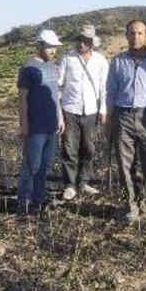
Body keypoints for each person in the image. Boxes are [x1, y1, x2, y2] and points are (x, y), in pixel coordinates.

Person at [105, 20, 146, 222]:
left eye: (140, 33)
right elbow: (110, 93)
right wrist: (108, 122)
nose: (136, 37)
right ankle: (131, 205)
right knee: (125, 165)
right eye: (132, 33)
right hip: (122, 116)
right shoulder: (117, 62)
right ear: (126, 36)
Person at [57, 25, 109, 201]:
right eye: (78, 39)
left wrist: (103, 109)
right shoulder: (67, 58)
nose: (81, 43)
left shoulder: (101, 60)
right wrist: (59, 109)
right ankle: (70, 185)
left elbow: (104, 87)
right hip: (70, 109)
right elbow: (59, 83)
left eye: (85, 40)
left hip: (91, 111)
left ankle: (83, 182)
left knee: (89, 148)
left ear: (91, 42)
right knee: (69, 148)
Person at [16, 29, 65, 212]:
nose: (53, 50)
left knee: (44, 166)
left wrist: (60, 118)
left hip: (51, 126)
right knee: (31, 166)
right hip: (35, 126)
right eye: (50, 46)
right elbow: (22, 99)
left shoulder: (53, 66)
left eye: (55, 47)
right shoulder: (28, 68)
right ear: (40, 46)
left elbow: (55, 96)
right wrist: (24, 125)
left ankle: (39, 199)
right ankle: (24, 202)